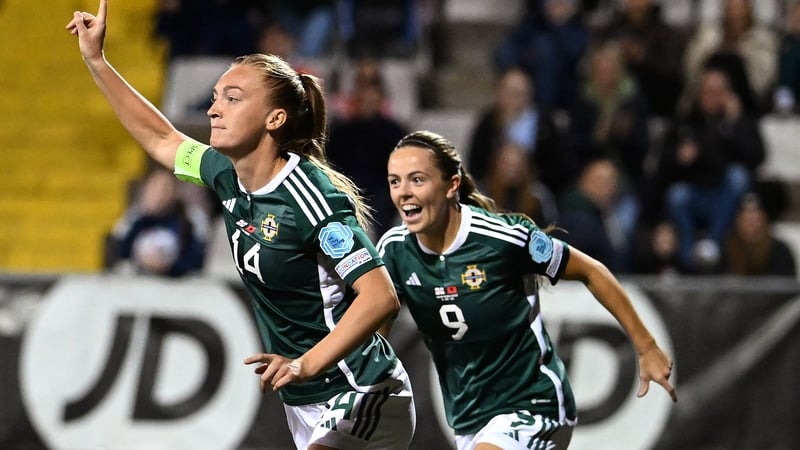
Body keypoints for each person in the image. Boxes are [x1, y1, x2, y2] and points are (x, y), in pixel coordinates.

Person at [67, 2, 416, 449]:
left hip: (360, 390)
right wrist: (96, 60)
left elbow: (381, 297)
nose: (214, 110)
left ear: (275, 118)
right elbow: (161, 138)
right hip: (305, 402)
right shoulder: (225, 173)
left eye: (232, 98)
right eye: (215, 98)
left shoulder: (308, 198)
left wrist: (304, 364)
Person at [376, 130, 676, 450]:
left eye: (417, 180)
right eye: (395, 181)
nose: (404, 192)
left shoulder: (503, 240)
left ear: (452, 185)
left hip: (534, 406)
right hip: (468, 418)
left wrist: (646, 346)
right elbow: (374, 331)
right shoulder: (394, 250)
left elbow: (592, 271)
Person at [106, 166, 209, 277]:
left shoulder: (191, 220)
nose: (160, 194)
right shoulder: (133, 218)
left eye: (165, 188)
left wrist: (169, 268)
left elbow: (197, 261)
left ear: (176, 192)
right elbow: (117, 255)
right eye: (154, 188)